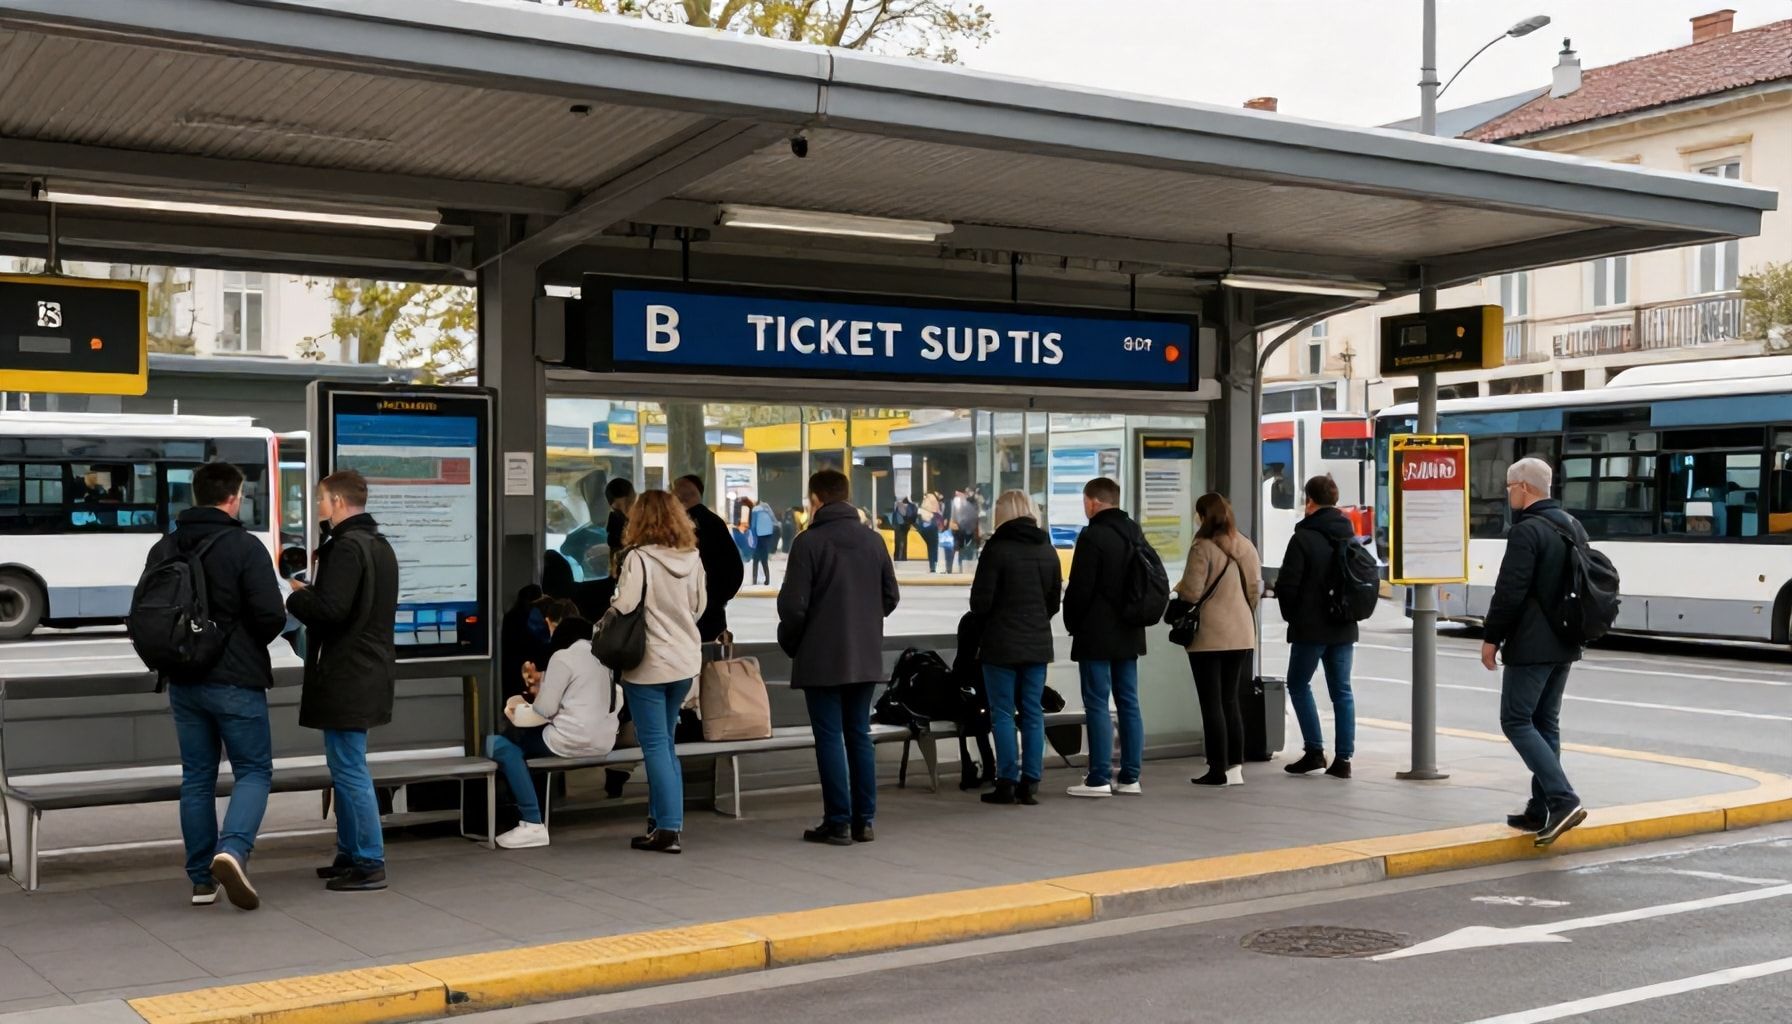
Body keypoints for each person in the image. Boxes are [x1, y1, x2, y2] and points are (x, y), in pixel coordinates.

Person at [141, 461, 287, 910]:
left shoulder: (164, 547)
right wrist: (240, 643)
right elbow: (271, 616)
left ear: (196, 494)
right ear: (233, 497)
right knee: (254, 771)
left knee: (198, 777)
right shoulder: (244, 546)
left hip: (183, 679)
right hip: (235, 680)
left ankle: (202, 880)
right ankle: (234, 850)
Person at [287, 469, 400, 893]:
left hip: (347, 671)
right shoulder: (378, 545)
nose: (318, 507)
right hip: (368, 668)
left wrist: (298, 595)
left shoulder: (346, 548)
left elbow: (331, 610)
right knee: (345, 765)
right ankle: (349, 854)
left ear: (336, 501)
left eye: (321, 500)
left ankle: (369, 860)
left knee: (349, 768)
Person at [778, 469, 900, 845]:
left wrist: (794, 642)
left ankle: (838, 821)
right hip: (863, 657)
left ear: (816, 499)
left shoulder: (808, 543)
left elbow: (793, 607)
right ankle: (864, 820)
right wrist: (864, 623)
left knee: (830, 737)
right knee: (858, 734)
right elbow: (890, 596)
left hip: (821, 657)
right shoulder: (873, 541)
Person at [1482, 457, 1589, 847]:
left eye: (1509, 487)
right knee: (1546, 723)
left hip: (1531, 643)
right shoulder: (1571, 525)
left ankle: (1563, 799)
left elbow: (1510, 590)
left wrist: (1492, 638)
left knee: (1516, 720)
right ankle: (1539, 808)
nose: (1508, 494)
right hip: (1566, 640)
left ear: (1523, 488)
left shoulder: (1526, 531)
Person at [609, 490, 706, 853]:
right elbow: (698, 606)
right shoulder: (692, 557)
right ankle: (661, 821)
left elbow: (625, 604)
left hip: (649, 665)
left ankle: (667, 830)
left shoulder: (638, 559)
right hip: (683, 662)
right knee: (665, 743)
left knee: (655, 747)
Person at [487, 614, 619, 849]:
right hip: (603, 741)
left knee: (501, 745)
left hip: (567, 741)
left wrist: (523, 703)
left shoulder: (563, 656)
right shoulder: (603, 659)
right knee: (524, 748)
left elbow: (544, 709)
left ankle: (531, 821)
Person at [969, 490, 1061, 807]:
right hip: (1037, 643)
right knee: (1033, 712)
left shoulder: (996, 549)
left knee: (1003, 714)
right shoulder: (1046, 548)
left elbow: (980, 602)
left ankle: (1007, 781)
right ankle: (1031, 782)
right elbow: (1053, 601)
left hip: (1000, 645)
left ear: (1003, 513)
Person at [1062, 477, 1147, 798]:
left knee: (1097, 703)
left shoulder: (1092, 536)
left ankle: (1098, 778)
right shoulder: (1134, 532)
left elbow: (1080, 589)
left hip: (1097, 633)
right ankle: (1131, 777)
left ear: (1094, 502)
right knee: (1129, 702)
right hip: (1129, 632)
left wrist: (1072, 622)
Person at [1275, 475, 1360, 779]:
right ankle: (1344, 760)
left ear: (1309, 501)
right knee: (1342, 691)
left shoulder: (1304, 537)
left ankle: (1314, 751)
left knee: (1298, 685)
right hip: (1343, 625)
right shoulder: (1348, 534)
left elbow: (1288, 585)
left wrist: (1292, 617)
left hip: (1311, 628)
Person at [1176, 492, 1262, 787]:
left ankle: (1216, 768)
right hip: (1241, 633)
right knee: (1230, 700)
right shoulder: (1246, 545)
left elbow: (1191, 592)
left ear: (1202, 516)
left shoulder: (1202, 547)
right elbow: (1255, 591)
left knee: (1211, 702)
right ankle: (1234, 768)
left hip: (1210, 635)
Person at [672, 475, 745, 643]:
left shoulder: (681, 527)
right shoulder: (715, 523)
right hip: (712, 617)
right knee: (711, 666)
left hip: (686, 618)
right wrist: (717, 602)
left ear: (679, 499)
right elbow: (735, 571)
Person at [604, 478, 636, 576]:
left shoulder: (649, 517)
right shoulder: (615, 518)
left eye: (628, 505)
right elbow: (613, 548)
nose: (624, 511)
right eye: (618, 508)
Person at [749, 497, 778, 586]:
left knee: (756, 559)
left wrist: (752, 537)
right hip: (767, 535)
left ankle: (754, 580)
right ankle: (767, 580)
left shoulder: (755, 510)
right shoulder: (766, 509)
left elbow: (753, 525)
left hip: (758, 535)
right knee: (764, 559)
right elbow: (773, 523)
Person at [917, 492, 943, 573]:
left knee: (930, 548)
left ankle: (932, 566)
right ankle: (934, 566)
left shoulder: (922, 506)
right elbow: (939, 517)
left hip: (924, 528)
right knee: (933, 548)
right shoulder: (934, 502)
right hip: (932, 528)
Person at [892, 495, 916, 563]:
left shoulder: (900, 505)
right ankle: (902, 557)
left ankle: (899, 557)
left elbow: (901, 515)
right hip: (903, 525)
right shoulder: (909, 506)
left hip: (900, 526)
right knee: (903, 542)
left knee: (899, 542)